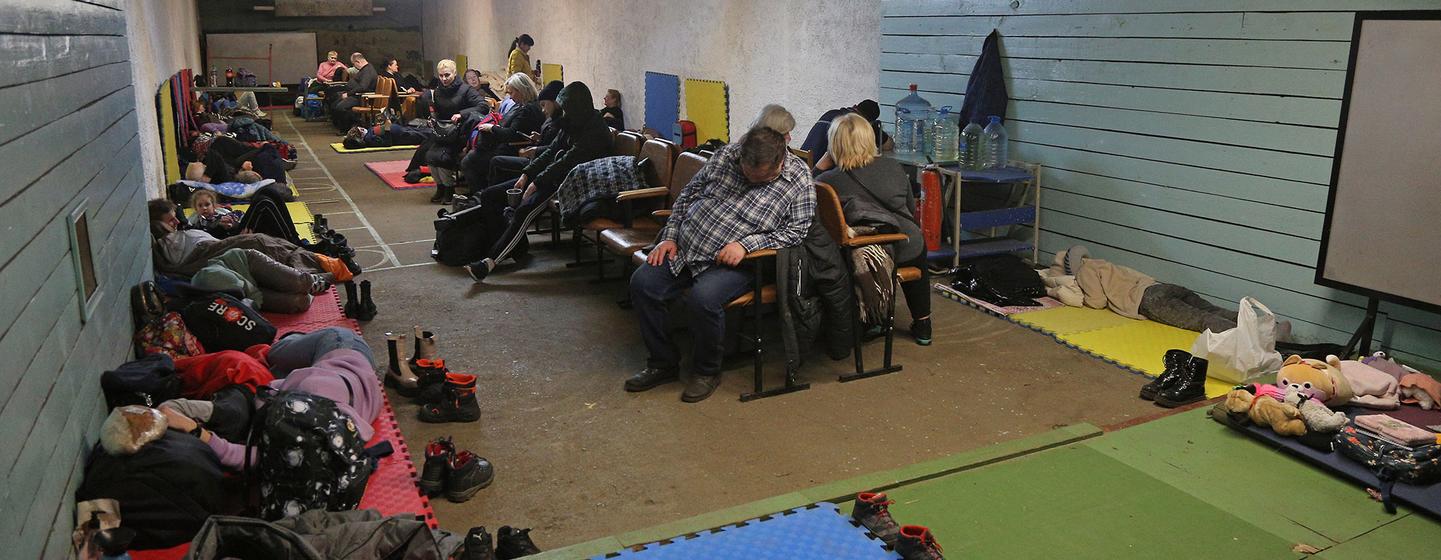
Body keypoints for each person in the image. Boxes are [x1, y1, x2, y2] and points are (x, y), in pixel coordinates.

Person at [624, 127, 816, 403]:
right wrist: (669, 237)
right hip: (687, 247)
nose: (750, 180)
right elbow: (688, 195)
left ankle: (706, 371)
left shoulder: (799, 180)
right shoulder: (727, 155)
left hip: (740, 261)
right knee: (643, 284)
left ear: (779, 163)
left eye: (760, 178)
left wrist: (745, 245)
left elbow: (796, 232)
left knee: (704, 299)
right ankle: (662, 362)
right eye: (746, 174)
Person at [158, 328, 379, 470]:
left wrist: (199, 432)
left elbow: (250, 458)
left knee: (271, 367)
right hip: (343, 347)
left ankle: (293, 340)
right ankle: (292, 338)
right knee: (275, 352)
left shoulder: (312, 446)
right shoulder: (314, 391)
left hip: (345, 376)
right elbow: (267, 392)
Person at [463, 81, 614, 282]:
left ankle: (490, 261)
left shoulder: (594, 131)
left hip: (575, 182)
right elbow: (552, 151)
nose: (562, 114)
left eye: (565, 109)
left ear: (576, 107)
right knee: (491, 195)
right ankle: (513, 246)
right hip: (557, 176)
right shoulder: (572, 123)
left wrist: (537, 183)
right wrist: (527, 174)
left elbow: (566, 161)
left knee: (525, 211)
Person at [815, 113, 932, 344]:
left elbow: (809, 192)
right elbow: (909, 208)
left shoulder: (828, 180)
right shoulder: (893, 167)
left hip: (865, 253)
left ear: (834, 144)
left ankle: (873, 317)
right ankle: (923, 324)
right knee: (918, 247)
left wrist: (825, 160)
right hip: (905, 244)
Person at [149, 199, 356, 281]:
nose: (176, 221)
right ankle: (317, 259)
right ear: (160, 225)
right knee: (260, 236)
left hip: (226, 236)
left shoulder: (183, 228)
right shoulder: (168, 242)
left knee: (268, 197)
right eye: (170, 220)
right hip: (220, 243)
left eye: (176, 216)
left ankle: (307, 248)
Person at [457, 73, 545, 199]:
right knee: (472, 156)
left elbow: (511, 134)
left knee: (469, 161)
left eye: (511, 93)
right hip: (508, 145)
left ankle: (481, 195)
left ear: (521, 91)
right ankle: (480, 194)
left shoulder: (527, 110)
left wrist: (492, 128)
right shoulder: (525, 106)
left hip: (512, 149)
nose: (510, 97)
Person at [190, 247, 334, 313]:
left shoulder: (221, 279)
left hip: (247, 265)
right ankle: (303, 289)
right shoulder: (206, 303)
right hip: (247, 289)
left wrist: (252, 307)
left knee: (300, 282)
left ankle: (311, 281)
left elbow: (253, 295)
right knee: (300, 303)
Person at [484, 80, 563, 186]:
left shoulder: (559, 121)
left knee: (490, 160)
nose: (543, 110)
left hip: (539, 160)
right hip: (537, 156)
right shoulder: (550, 118)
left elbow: (556, 147)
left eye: (544, 105)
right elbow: (550, 140)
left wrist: (492, 128)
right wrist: (539, 138)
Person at [803, 100, 893, 173]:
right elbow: (888, 145)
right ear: (870, 122)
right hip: (819, 168)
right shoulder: (858, 125)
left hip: (803, 160)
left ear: (855, 106)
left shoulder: (831, 113)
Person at [332, 52, 377, 131]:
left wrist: (348, 94)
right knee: (334, 100)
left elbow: (363, 87)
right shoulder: (365, 69)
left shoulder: (367, 71)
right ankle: (342, 126)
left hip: (362, 97)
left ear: (358, 62)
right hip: (356, 94)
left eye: (354, 64)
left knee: (340, 107)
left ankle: (347, 128)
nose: (354, 66)